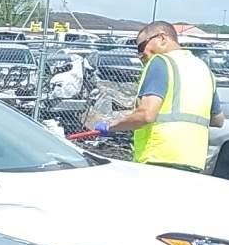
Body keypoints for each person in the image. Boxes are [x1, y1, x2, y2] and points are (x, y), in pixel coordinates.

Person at [92, 20, 220, 168]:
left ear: (162, 38)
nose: (140, 54)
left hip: (159, 158)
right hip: (194, 161)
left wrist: (111, 126)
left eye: (141, 46)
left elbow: (146, 115)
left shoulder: (161, 62)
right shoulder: (203, 69)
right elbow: (218, 119)